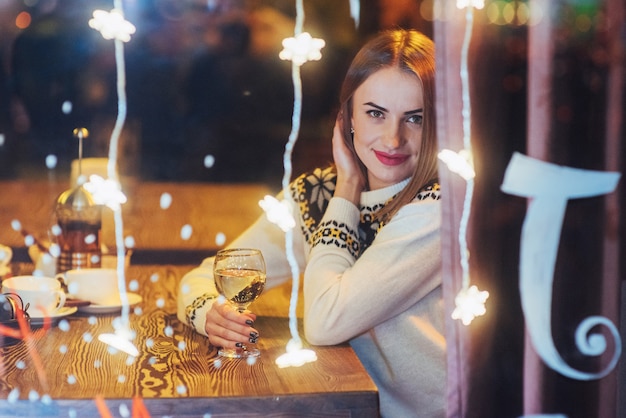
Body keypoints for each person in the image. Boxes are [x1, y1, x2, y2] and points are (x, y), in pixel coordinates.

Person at [177, 28, 444, 418]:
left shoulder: (439, 208)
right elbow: (203, 278)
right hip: (336, 405)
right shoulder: (316, 195)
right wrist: (210, 315)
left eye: (415, 119)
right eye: (375, 113)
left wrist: (348, 188)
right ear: (347, 116)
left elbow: (324, 320)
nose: (393, 138)